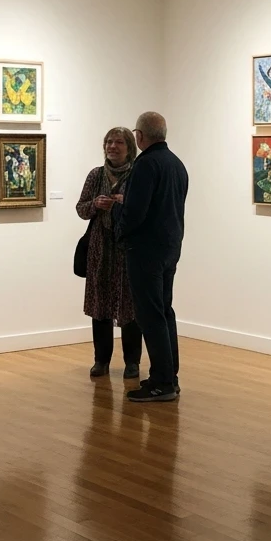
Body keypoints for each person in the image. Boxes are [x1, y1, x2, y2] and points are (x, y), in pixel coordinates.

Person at [116, 112, 188, 402]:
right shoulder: (176, 164)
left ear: (140, 136)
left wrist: (120, 217)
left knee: (150, 315)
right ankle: (170, 376)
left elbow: (136, 213)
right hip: (170, 247)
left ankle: (161, 382)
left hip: (145, 250)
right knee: (165, 311)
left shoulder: (145, 164)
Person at [76, 128, 143, 380]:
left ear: (129, 148)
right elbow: (81, 208)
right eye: (108, 142)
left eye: (118, 142)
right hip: (100, 249)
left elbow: (145, 208)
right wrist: (95, 204)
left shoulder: (138, 174)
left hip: (127, 249)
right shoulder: (96, 175)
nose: (112, 146)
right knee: (100, 305)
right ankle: (101, 360)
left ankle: (132, 363)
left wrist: (125, 202)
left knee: (130, 306)